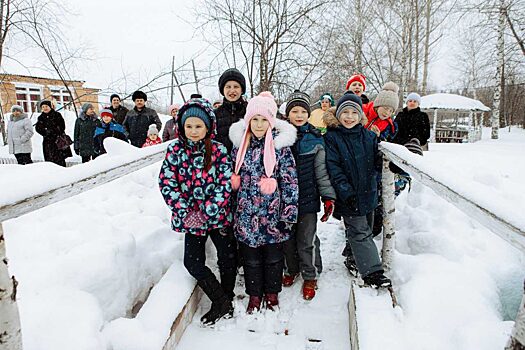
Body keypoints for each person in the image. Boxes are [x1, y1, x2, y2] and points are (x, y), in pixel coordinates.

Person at [158, 98, 236, 326]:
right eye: (189, 126)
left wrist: (209, 210)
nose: (193, 131)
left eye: (198, 126)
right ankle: (220, 300)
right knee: (192, 262)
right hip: (191, 220)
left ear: (207, 127)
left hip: (218, 217)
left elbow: (225, 183)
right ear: (181, 126)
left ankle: (228, 294)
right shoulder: (174, 150)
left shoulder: (219, 150)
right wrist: (185, 211)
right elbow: (167, 183)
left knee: (227, 257)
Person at [229, 91, 298, 313]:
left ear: (271, 122)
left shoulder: (280, 148)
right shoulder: (239, 148)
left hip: (272, 215)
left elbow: (290, 182)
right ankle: (255, 295)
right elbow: (229, 182)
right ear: (248, 121)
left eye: (263, 120)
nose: (258, 125)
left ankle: (272, 293)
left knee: (273, 258)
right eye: (254, 120)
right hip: (246, 216)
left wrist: (287, 216)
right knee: (251, 260)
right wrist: (229, 213)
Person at [324, 92, 391, 289]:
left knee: (366, 230)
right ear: (338, 115)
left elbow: (377, 161)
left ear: (360, 115)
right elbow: (333, 168)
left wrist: (390, 166)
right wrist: (345, 192)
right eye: (345, 112)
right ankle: (372, 273)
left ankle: (352, 257)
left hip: (368, 194)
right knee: (360, 232)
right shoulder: (332, 138)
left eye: (354, 112)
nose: (350, 117)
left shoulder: (369, 136)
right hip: (349, 196)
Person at [281, 90, 336, 300]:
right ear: (288, 114)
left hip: (308, 198)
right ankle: (291, 269)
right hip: (285, 200)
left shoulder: (315, 139)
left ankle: (310, 274)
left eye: (303, 111)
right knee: (287, 239)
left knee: (307, 239)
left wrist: (328, 197)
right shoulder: (279, 138)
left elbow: (321, 173)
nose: (299, 115)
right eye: (294, 110)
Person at [215, 68, 248, 152]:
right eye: (228, 87)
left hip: (246, 161)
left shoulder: (250, 111)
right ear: (223, 89)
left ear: (242, 89)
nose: (232, 90)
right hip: (222, 162)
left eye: (236, 86)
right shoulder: (215, 114)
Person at [35, 100, 72, 167]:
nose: (45, 108)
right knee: (49, 161)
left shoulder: (57, 115)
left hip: (57, 141)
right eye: (43, 107)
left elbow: (62, 126)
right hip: (47, 142)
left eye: (46, 106)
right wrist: (45, 132)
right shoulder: (41, 117)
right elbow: (38, 128)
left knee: (59, 160)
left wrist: (53, 131)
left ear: (50, 107)